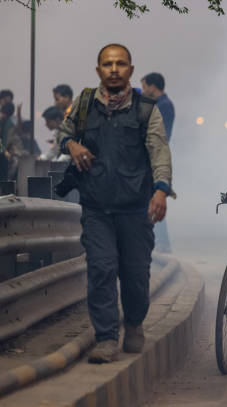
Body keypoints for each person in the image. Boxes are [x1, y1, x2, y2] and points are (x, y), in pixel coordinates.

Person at [56, 43, 174, 363]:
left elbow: (159, 151)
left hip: (136, 208)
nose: (113, 69)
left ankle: (134, 322)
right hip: (96, 207)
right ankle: (106, 338)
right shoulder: (84, 104)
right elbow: (62, 134)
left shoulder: (146, 109)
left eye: (120, 64)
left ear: (131, 70)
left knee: (135, 274)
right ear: (98, 70)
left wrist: (161, 190)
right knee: (101, 269)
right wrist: (72, 145)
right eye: (107, 64)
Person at [141, 72, 175, 253]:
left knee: (155, 198)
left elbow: (160, 134)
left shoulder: (163, 105)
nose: (144, 90)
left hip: (157, 158)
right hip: (153, 157)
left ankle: (162, 242)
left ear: (153, 87)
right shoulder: (160, 104)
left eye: (146, 86)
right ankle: (160, 241)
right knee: (152, 199)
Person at [0, 103, 24, 181]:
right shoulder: (7, 122)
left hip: (7, 152)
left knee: (8, 175)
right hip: (5, 152)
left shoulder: (9, 123)